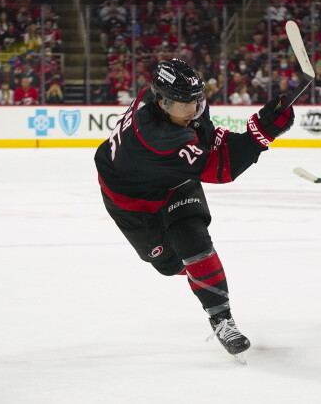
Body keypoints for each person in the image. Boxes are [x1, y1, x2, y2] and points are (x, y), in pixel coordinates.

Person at [94, 59, 294, 359]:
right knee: (171, 265)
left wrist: (260, 124)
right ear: (161, 101)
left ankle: (222, 319)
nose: (194, 109)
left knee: (194, 243)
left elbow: (208, 138)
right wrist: (261, 134)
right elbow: (220, 168)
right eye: (184, 104)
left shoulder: (171, 105)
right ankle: (199, 276)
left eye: (197, 99)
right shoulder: (160, 139)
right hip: (131, 202)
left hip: (172, 179)